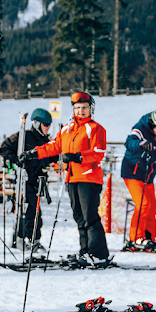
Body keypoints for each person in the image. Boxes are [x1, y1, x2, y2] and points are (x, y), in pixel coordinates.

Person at [25, 93, 109, 266]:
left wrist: (78, 157)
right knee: (79, 217)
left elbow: (98, 153)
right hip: (71, 178)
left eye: (84, 107)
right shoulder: (67, 129)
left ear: (91, 109)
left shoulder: (95, 129)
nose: (81, 111)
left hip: (89, 178)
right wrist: (34, 153)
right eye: (77, 108)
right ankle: (85, 250)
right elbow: (54, 146)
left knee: (90, 217)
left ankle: (98, 253)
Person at [1, 108, 54, 253]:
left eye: (49, 124)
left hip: (38, 180)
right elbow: (4, 148)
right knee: (27, 211)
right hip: (24, 179)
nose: (48, 127)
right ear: (37, 124)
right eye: (45, 124)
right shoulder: (24, 136)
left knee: (35, 212)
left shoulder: (45, 140)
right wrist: (16, 161)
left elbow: (51, 156)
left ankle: (33, 239)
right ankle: (23, 238)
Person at [121, 108, 156, 249]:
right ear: (152, 123)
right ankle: (136, 239)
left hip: (148, 176)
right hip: (133, 172)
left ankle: (149, 238)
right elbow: (129, 142)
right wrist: (140, 144)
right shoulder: (140, 129)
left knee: (152, 207)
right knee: (143, 204)